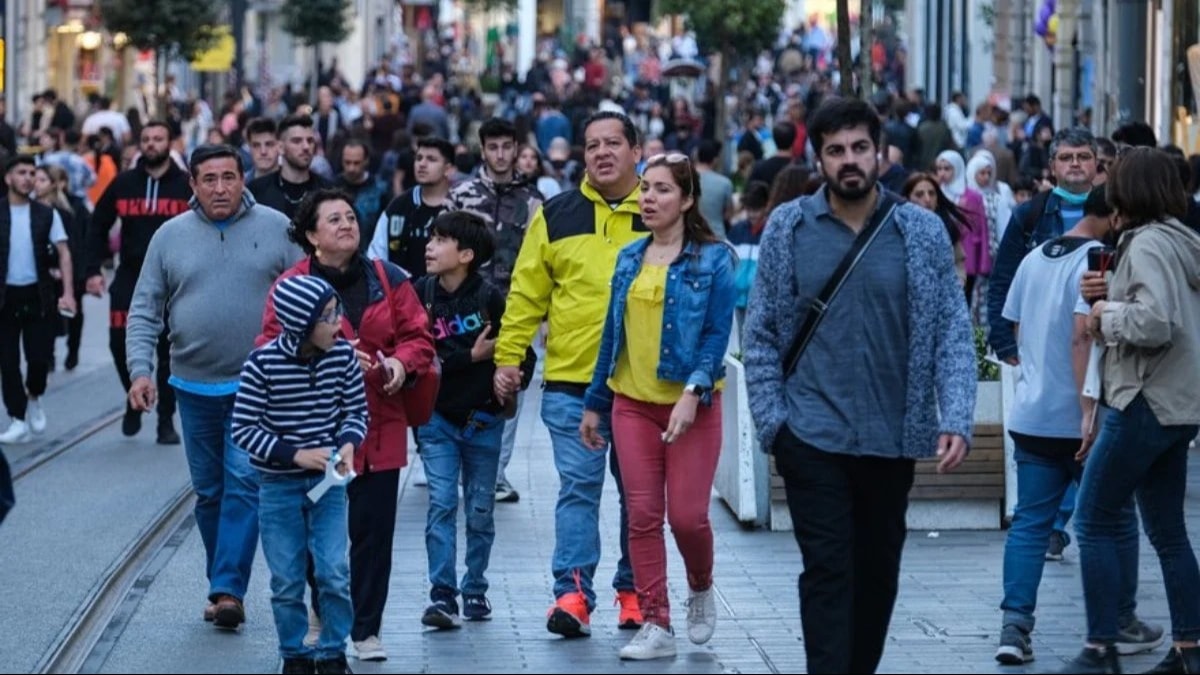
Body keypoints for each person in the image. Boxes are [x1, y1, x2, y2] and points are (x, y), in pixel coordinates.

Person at [742, 97, 976, 674]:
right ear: (819, 159)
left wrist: (956, 415)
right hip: (811, 434)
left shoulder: (919, 230)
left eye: (859, 148)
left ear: (879, 153)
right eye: (836, 151)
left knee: (876, 574)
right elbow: (761, 332)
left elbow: (952, 329)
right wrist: (775, 425)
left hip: (890, 437)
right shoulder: (790, 227)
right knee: (827, 570)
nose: (849, 160)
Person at [125, 144, 304, 630]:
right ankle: (222, 581)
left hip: (259, 386)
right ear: (193, 184)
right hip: (193, 385)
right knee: (209, 491)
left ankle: (227, 589)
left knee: (244, 482)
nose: (220, 188)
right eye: (209, 179)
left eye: (229, 177)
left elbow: (310, 292)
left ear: (243, 179)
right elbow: (145, 308)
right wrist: (141, 370)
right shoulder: (169, 236)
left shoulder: (277, 228)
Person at [259, 188, 435, 662]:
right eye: (334, 219)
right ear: (312, 236)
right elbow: (270, 345)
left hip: (379, 423)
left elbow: (420, 336)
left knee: (374, 533)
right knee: (320, 533)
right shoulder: (292, 285)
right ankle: (325, 613)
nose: (347, 225)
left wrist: (400, 362)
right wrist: (327, 355)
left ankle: (366, 629)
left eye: (351, 217)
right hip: (316, 431)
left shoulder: (388, 277)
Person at [579, 152, 736, 660]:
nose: (648, 198)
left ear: (687, 199)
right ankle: (656, 622)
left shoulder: (714, 259)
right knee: (642, 516)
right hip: (632, 405)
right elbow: (612, 336)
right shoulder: (630, 257)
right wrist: (596, 402)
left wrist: (693, 392)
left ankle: (700, 584)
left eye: (663, 189)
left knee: (687, 517)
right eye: (645, 188)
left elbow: (716, 336)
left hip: (692, 407)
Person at [492, 111, 644, 637]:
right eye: (592, 144)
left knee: (640, 496)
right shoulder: (556, 214)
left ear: (636, 151)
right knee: (578, 490)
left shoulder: (660, 209)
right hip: (572, 386)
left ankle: (636, 592)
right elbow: (526, 292)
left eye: (613, 143)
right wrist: (508, 357)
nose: (602, 153)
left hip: (643, 387)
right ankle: (573, 595)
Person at [996, 186, 1161, 665]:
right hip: (1082, 421)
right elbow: (1080, 337)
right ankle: (1121, 621)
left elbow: (1017, 328)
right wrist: (1087, 411)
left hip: (1032, 414)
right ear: (1115, 216)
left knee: (1030, 522)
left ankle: (1014, 629)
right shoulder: (1098, 263)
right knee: (1113, 518)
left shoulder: (1034, 258)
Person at [1066, 148, 1200, 674]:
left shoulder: (1146, 244)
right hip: (1178, 404)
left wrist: (1104, 314)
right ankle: (1189, 649)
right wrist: (1112, 292)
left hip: (1144, 399)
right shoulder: (1179, 240)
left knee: (1092, 518)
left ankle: (1101, 647)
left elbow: (1155, 322)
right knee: (1168, 530)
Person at [232, 275, 366, 675]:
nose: (339, 323)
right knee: (287, 578)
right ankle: (294, 654)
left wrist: (348, 443)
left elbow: (356, 411)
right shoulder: (262, 364)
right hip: (278, 485)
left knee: (333, 571)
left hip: (328, 484)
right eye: (329, 317)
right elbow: (243, 428)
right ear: (302, 323)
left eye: (338, 312)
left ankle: (333, 651)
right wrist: (296, 455)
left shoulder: (343, 358)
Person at [418, 211, 525, 628]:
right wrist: (471, 357)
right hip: (437, 420)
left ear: (466, 255)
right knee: (442, 503)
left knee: (480, 510)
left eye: (440, 240)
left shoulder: (490, 298)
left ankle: (475, 586)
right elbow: (420, 357)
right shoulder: (421, 294)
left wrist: (508, 377)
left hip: (483, 421)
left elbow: (519, 353)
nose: (429, 247)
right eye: (431, 238)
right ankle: (442, 594)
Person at [447, 118, 543, 505]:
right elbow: (445, 246)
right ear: (483, 150)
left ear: (516, 149)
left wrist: (544, 314)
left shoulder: (533, 199)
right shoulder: (462, 195)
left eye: (507, 146)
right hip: (465, 307)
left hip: (514, 308)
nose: (500, 154)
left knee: (510, 385)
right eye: (493, 147)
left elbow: (542, 258)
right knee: (465, 384)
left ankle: (496, 473)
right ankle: (464, 466)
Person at [86, 121, 193, 443]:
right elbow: (97, 224)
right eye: (146, 139)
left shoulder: (185, 185)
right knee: (118, 341)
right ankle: (134, 392)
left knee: (168, 352)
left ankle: (165, 421)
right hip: (131, 275)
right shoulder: (123, 183)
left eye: (158, 138)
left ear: (169, 143)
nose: (151, 144)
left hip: (175, 280)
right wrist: (92, 269)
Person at [0, 155, 77, 443]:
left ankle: (34, 396)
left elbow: (64, 253)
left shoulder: (46, 214)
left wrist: (68, 293)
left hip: (38, 295)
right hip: (5, 297)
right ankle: (17, 419)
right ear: (8, 178)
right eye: (21, 172)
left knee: (38, 360)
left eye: (32, 173)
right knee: (8, 363)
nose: (28, 178)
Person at [368, 137, 454, 282]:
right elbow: (376, 258)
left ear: (448, 169)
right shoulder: (397, 208)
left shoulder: (460, 206)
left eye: (431, 159)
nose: (422, 164)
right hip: (403, 293)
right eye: (418, 158)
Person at [34, 165, 88, 371]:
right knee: (46, 314)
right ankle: (48, 356)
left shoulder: (69, 211)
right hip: (43, 273)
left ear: (54, 184)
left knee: (73, 312)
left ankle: (73, 349)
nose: (36, 184)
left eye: (42, 180)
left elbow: (74, 245)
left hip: (69, 270)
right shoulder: (31, 209)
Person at [248, 115, 334, 221]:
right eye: (297, 141)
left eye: (310, 141)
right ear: (280, 147)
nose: (306, 147)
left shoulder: (328, 191)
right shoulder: (256, 191)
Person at [903, 172, 967, 284]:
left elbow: (958, 261)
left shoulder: (946, 227)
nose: (927, 199)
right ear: (908, 199)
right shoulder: (899, 230)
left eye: (932, 193)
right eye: (919, 195)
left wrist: (958, 283)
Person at [727, 181, 770, 331]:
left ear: (766, 206)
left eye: (756, 210)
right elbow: (728, 261)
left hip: (760, 299)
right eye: (749, 209)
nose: (752, 214)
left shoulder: (771, 231)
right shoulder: (737, 230)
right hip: (738, 296)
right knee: (740, 335)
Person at [335, 138, 391, 247]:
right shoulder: (332, 187)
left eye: (356, 163)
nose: (351, 168)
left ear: (366, 161)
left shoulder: (380, 189)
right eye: (347, 162)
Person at [695, 140, 733, 239]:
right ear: (715, 160)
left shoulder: (686, 179)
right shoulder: (725, 183)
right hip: (716, 235)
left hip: (690, 235)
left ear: (697, 156)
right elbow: (728, 214)